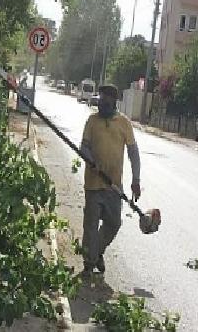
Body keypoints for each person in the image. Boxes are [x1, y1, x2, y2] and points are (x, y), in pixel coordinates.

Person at [80, 84, 141, 277]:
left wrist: (136, 180)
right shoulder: (92, 121)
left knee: (113, 223)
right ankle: (88, 265)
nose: (101, 103)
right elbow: (84, 146)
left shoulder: (123, 123)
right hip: (93, 183)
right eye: (100, 98)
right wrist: (91, 161)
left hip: (113, 186)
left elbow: (133, 153)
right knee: (90, 225)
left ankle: (96, 252)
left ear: (113, 101)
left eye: (105, 99)